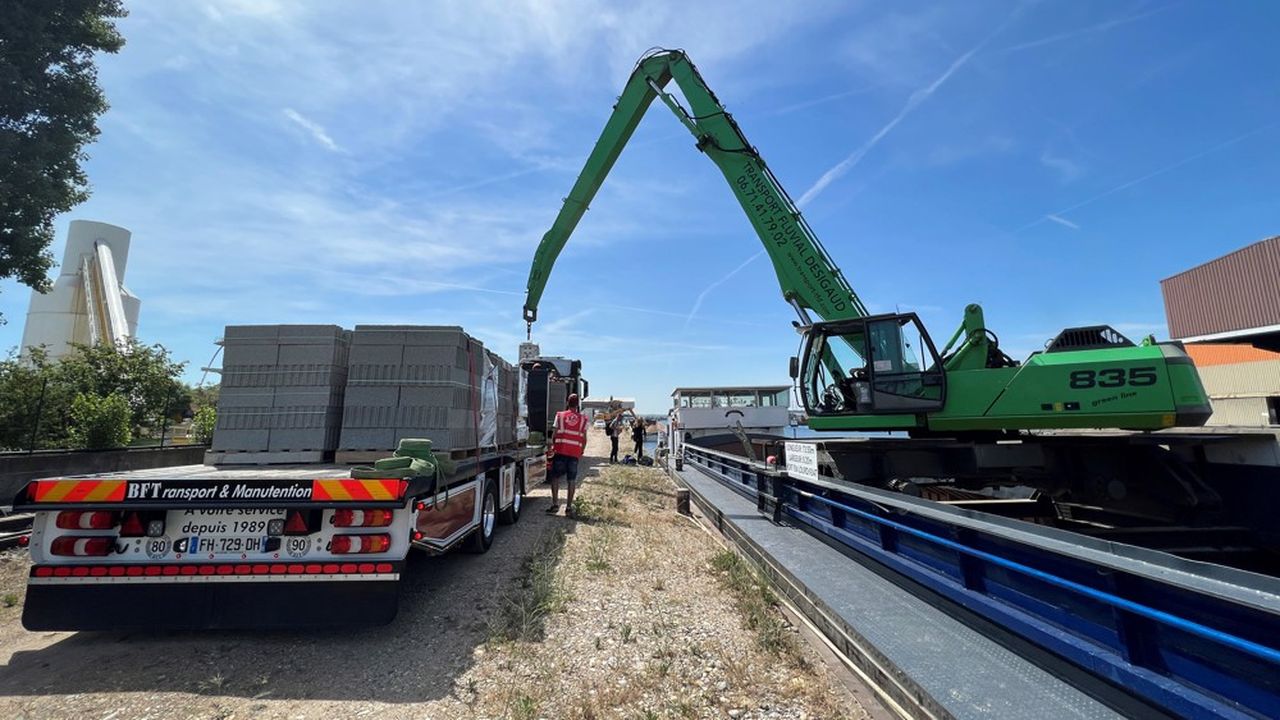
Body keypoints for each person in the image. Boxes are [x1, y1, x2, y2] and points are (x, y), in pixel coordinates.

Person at [547, 393, 587, 517]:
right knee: (571, 480)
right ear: (578, 404)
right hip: (574, 453)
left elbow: (553, 435)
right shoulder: (583, 419)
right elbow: (584, 439)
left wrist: (553, 446)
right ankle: (568, 508)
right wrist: (581, 451)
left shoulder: (560, 416)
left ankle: (555, 505)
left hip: (560, 451)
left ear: (567, 402)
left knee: (555, 477)